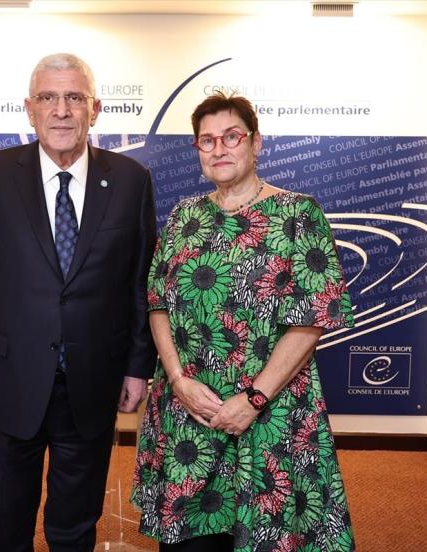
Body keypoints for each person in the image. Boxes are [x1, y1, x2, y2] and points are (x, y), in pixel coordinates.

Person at [0, 53, 157, 552]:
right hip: (7, 381)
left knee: (75, 524)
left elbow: (140, 285)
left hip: (92, 381)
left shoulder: (131, 180)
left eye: (74, 97)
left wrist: (137, 368)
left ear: (95, 109)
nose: (61, 110)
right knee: (6, 520)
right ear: (29, 108)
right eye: (48, 97)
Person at [131, 93, 356, 551]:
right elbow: (157, 304)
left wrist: (253, 399)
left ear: (256, 143)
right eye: (207, 140)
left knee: (269, 535)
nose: (219, 149)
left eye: (231, 136)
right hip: (190, 411)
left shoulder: (298, 214)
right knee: (190, 541)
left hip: (270, 412)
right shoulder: (183, 217)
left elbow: (311, 319)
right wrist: (178, 380)